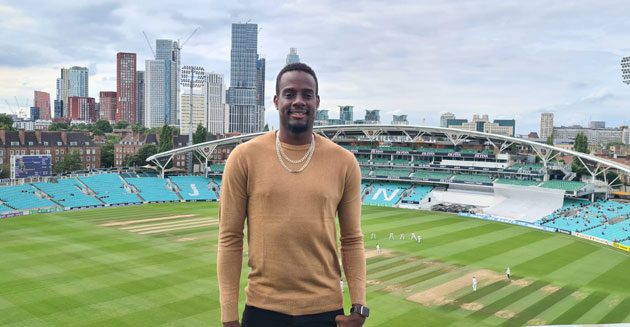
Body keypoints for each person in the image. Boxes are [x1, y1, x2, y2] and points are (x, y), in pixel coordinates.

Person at [218, 63, 368, 327]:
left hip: (325, 311)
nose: (299, 101)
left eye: (307, 95)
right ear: (277, 101)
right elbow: (230, 238)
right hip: (262, 310)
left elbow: (352, 239)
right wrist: (228, 315)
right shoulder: (244, 157)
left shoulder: (344, 162)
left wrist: (359, 306)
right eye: (290, 94)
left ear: (317, 101)